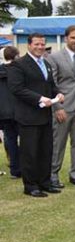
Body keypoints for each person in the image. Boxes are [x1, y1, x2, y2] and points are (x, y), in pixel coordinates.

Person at [7, 33, 63, 196]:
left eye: (42, 44)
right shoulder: (19, 65)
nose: (40, 47)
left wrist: (58, 94)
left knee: (46, 151)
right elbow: (17, 89)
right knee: (30, 152)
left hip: (45, 115)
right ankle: (31, 186)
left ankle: (45, 182)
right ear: (29, 45)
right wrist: (39, 98)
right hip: (28, 116)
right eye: (37, 44)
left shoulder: (46, 63)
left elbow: (51, 85)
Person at [46, 24, 75, 189]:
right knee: (58, 144)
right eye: (73, 38)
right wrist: (57, 107)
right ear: (66, 38)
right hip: (63, 107)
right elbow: (52, 84)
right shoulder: (55, 57)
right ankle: (53, 175)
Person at [0, 46, 21, 178]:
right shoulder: (17, 71)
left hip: (4, 112)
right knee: (25, 140)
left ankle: (14, 168)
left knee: (10, 140)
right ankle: (23, 166)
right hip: (18, 110)